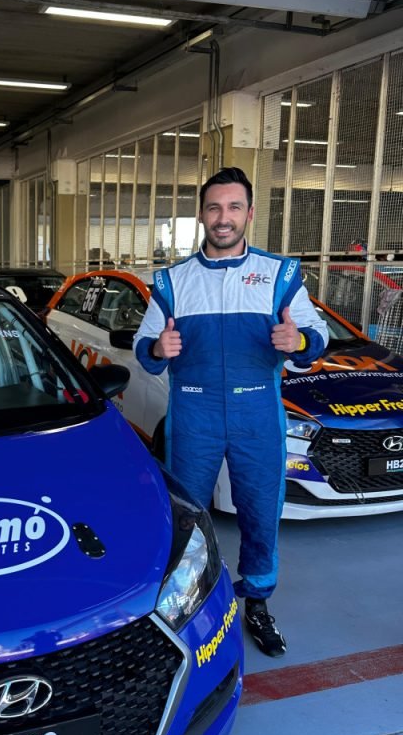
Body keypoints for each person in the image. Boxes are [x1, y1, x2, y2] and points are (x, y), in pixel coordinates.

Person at [133, 167, 328, 657]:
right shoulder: (171, 281)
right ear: (202, 214)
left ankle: (257, 602)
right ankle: (186, 606)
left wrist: (299, 340)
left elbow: (316, 335)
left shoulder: (281, 275)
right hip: (193, 414)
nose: (224, 218)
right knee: (188, 517)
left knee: (261, 513)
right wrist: (158, 347)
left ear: (249, 214)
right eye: (215, 207)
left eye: (234, 207)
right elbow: (142, 346)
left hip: (257, 413)